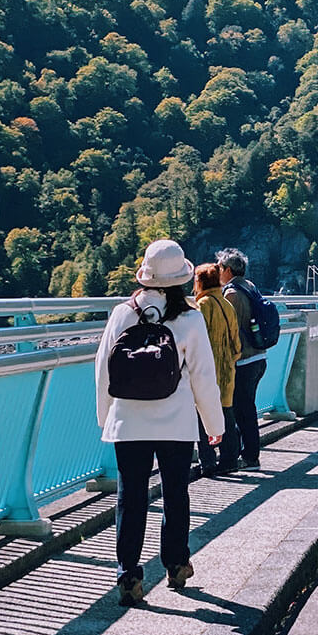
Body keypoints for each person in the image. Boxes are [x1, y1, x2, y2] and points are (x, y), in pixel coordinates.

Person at [95, 239, 224, 606]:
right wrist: (214, 424)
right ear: (181, 279)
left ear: (146, 277)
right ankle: (176, 564)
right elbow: (203, 377)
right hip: (176, 423)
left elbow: (104, 369)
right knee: (175, 494)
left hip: (129, 422)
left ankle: (129, 574)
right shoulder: (189, 318)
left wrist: (107, 417)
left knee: (130, 497)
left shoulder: (122, 313)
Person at [218, 247, 268, 471]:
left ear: (228, 270)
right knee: (246, 407)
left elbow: (229, 329)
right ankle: (247, 454)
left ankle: (250, 457)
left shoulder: (231, 294)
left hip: (244, 360)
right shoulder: (250, 287)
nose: (219, 272)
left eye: (220, 268)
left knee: (242, 410)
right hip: (258, 357)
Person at [193, 262, 240, 477]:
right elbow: (236, 344)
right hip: (227, 370)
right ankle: (230, 460)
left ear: (200, 282)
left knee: (203, 416)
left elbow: (196, 341)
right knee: (226, 415)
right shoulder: (227, 305)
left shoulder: (202, 305)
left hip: (207, 371)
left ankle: (208, 462)